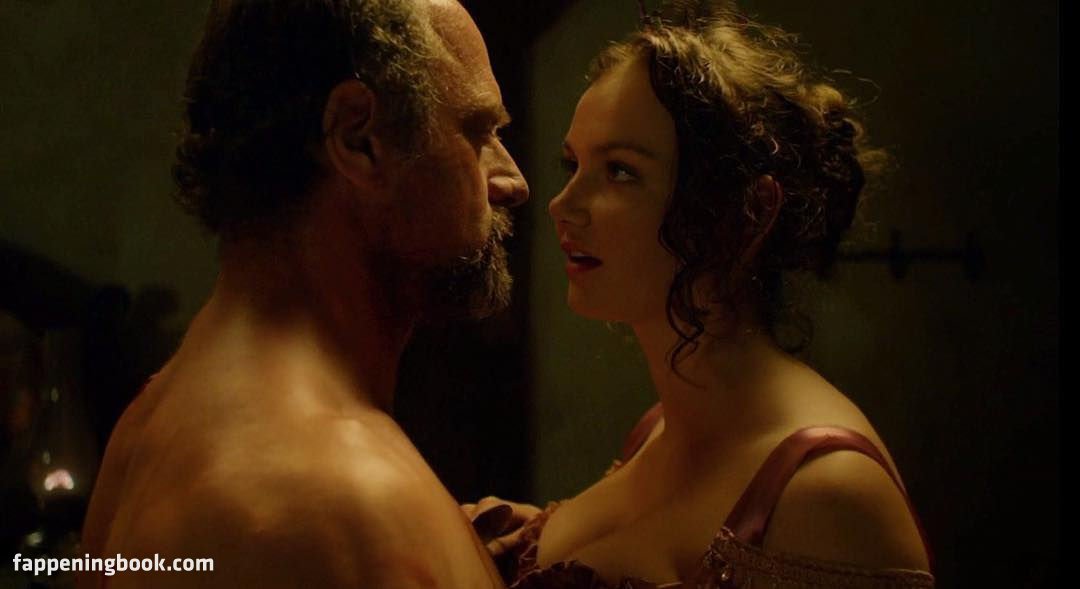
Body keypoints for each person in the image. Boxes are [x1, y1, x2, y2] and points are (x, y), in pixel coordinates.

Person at [471, 1, 935, 586]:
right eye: (573, 165)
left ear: (748, 212)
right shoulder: (658, 430)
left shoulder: (825, 490)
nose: (564, 206)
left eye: (620, 171)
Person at [78, 0, 528, 587]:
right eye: (479, 132)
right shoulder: (338, 504)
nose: (513, 181)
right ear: (358, 138)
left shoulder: (148, 427)